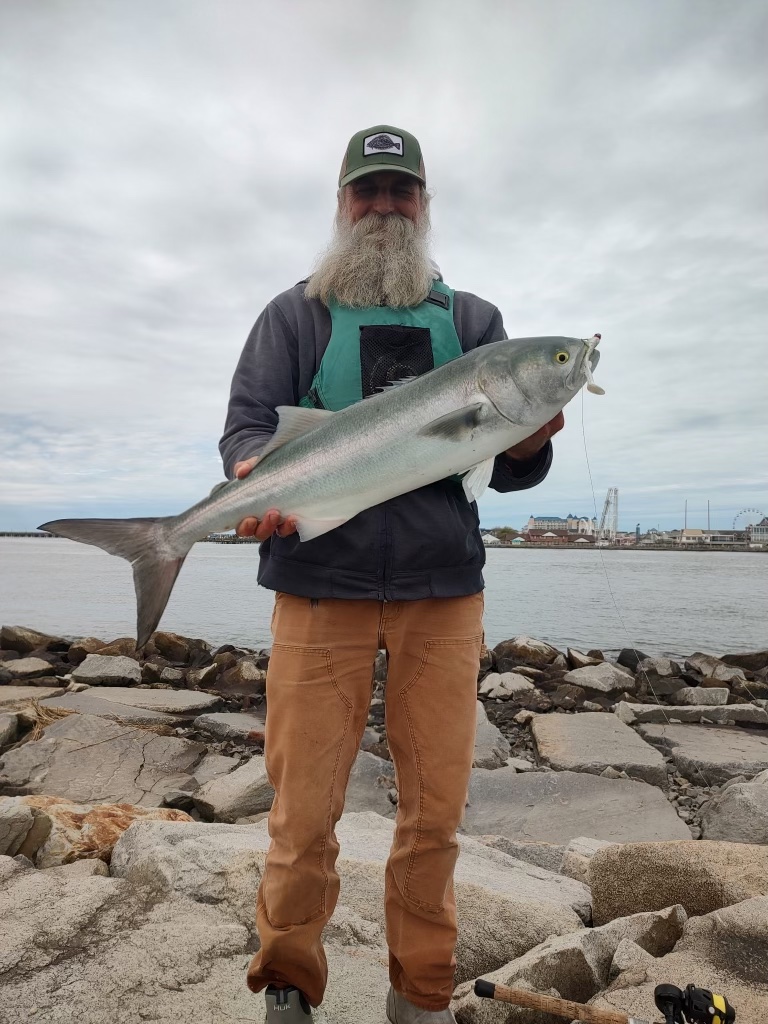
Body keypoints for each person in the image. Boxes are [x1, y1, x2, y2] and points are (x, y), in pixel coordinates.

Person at [219, 125, 563, 1024]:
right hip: (317, 580)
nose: (383, 209)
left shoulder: (477, 326)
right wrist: (258, 475)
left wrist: (530, 440)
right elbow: (248, 427)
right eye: (366, 193)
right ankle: (287, 984)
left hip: (441, 593)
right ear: (341, 204)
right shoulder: (292, 316)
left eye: (399, 193)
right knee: (301, 813)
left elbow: (513, 469)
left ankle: (420, 996)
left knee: (435, 814)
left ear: (424, 205)